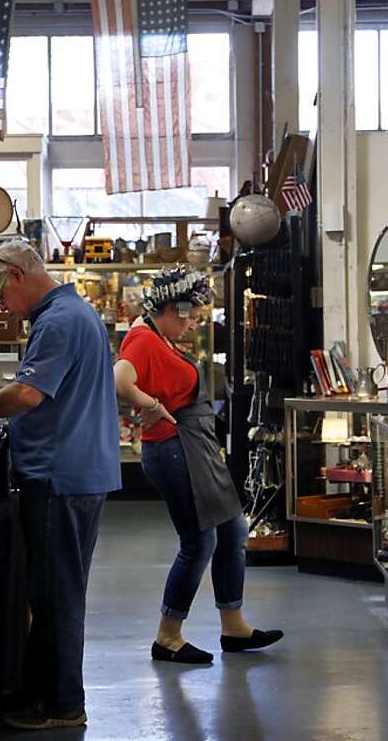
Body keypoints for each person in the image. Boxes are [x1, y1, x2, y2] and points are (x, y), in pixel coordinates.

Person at [114, 267, 283, 664]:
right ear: (169, 308)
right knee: (198, 542)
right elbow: (119, 380)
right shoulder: (142, 339)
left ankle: (234, 625)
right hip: (176, 450)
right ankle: (167, 636)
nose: (191, 324)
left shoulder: (162, 339)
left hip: (193, 447)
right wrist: (152, 405)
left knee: (232, 529)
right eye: (187, 316)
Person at [0, 239, 121, 730]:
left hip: (62, 475)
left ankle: (62, 702)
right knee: (52, 589)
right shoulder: (65, 313)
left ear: (16, 275)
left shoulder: (60, 321)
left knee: (56, 592)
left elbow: (26, 392)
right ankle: (43, 689)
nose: (0, 304)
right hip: (72, 470)